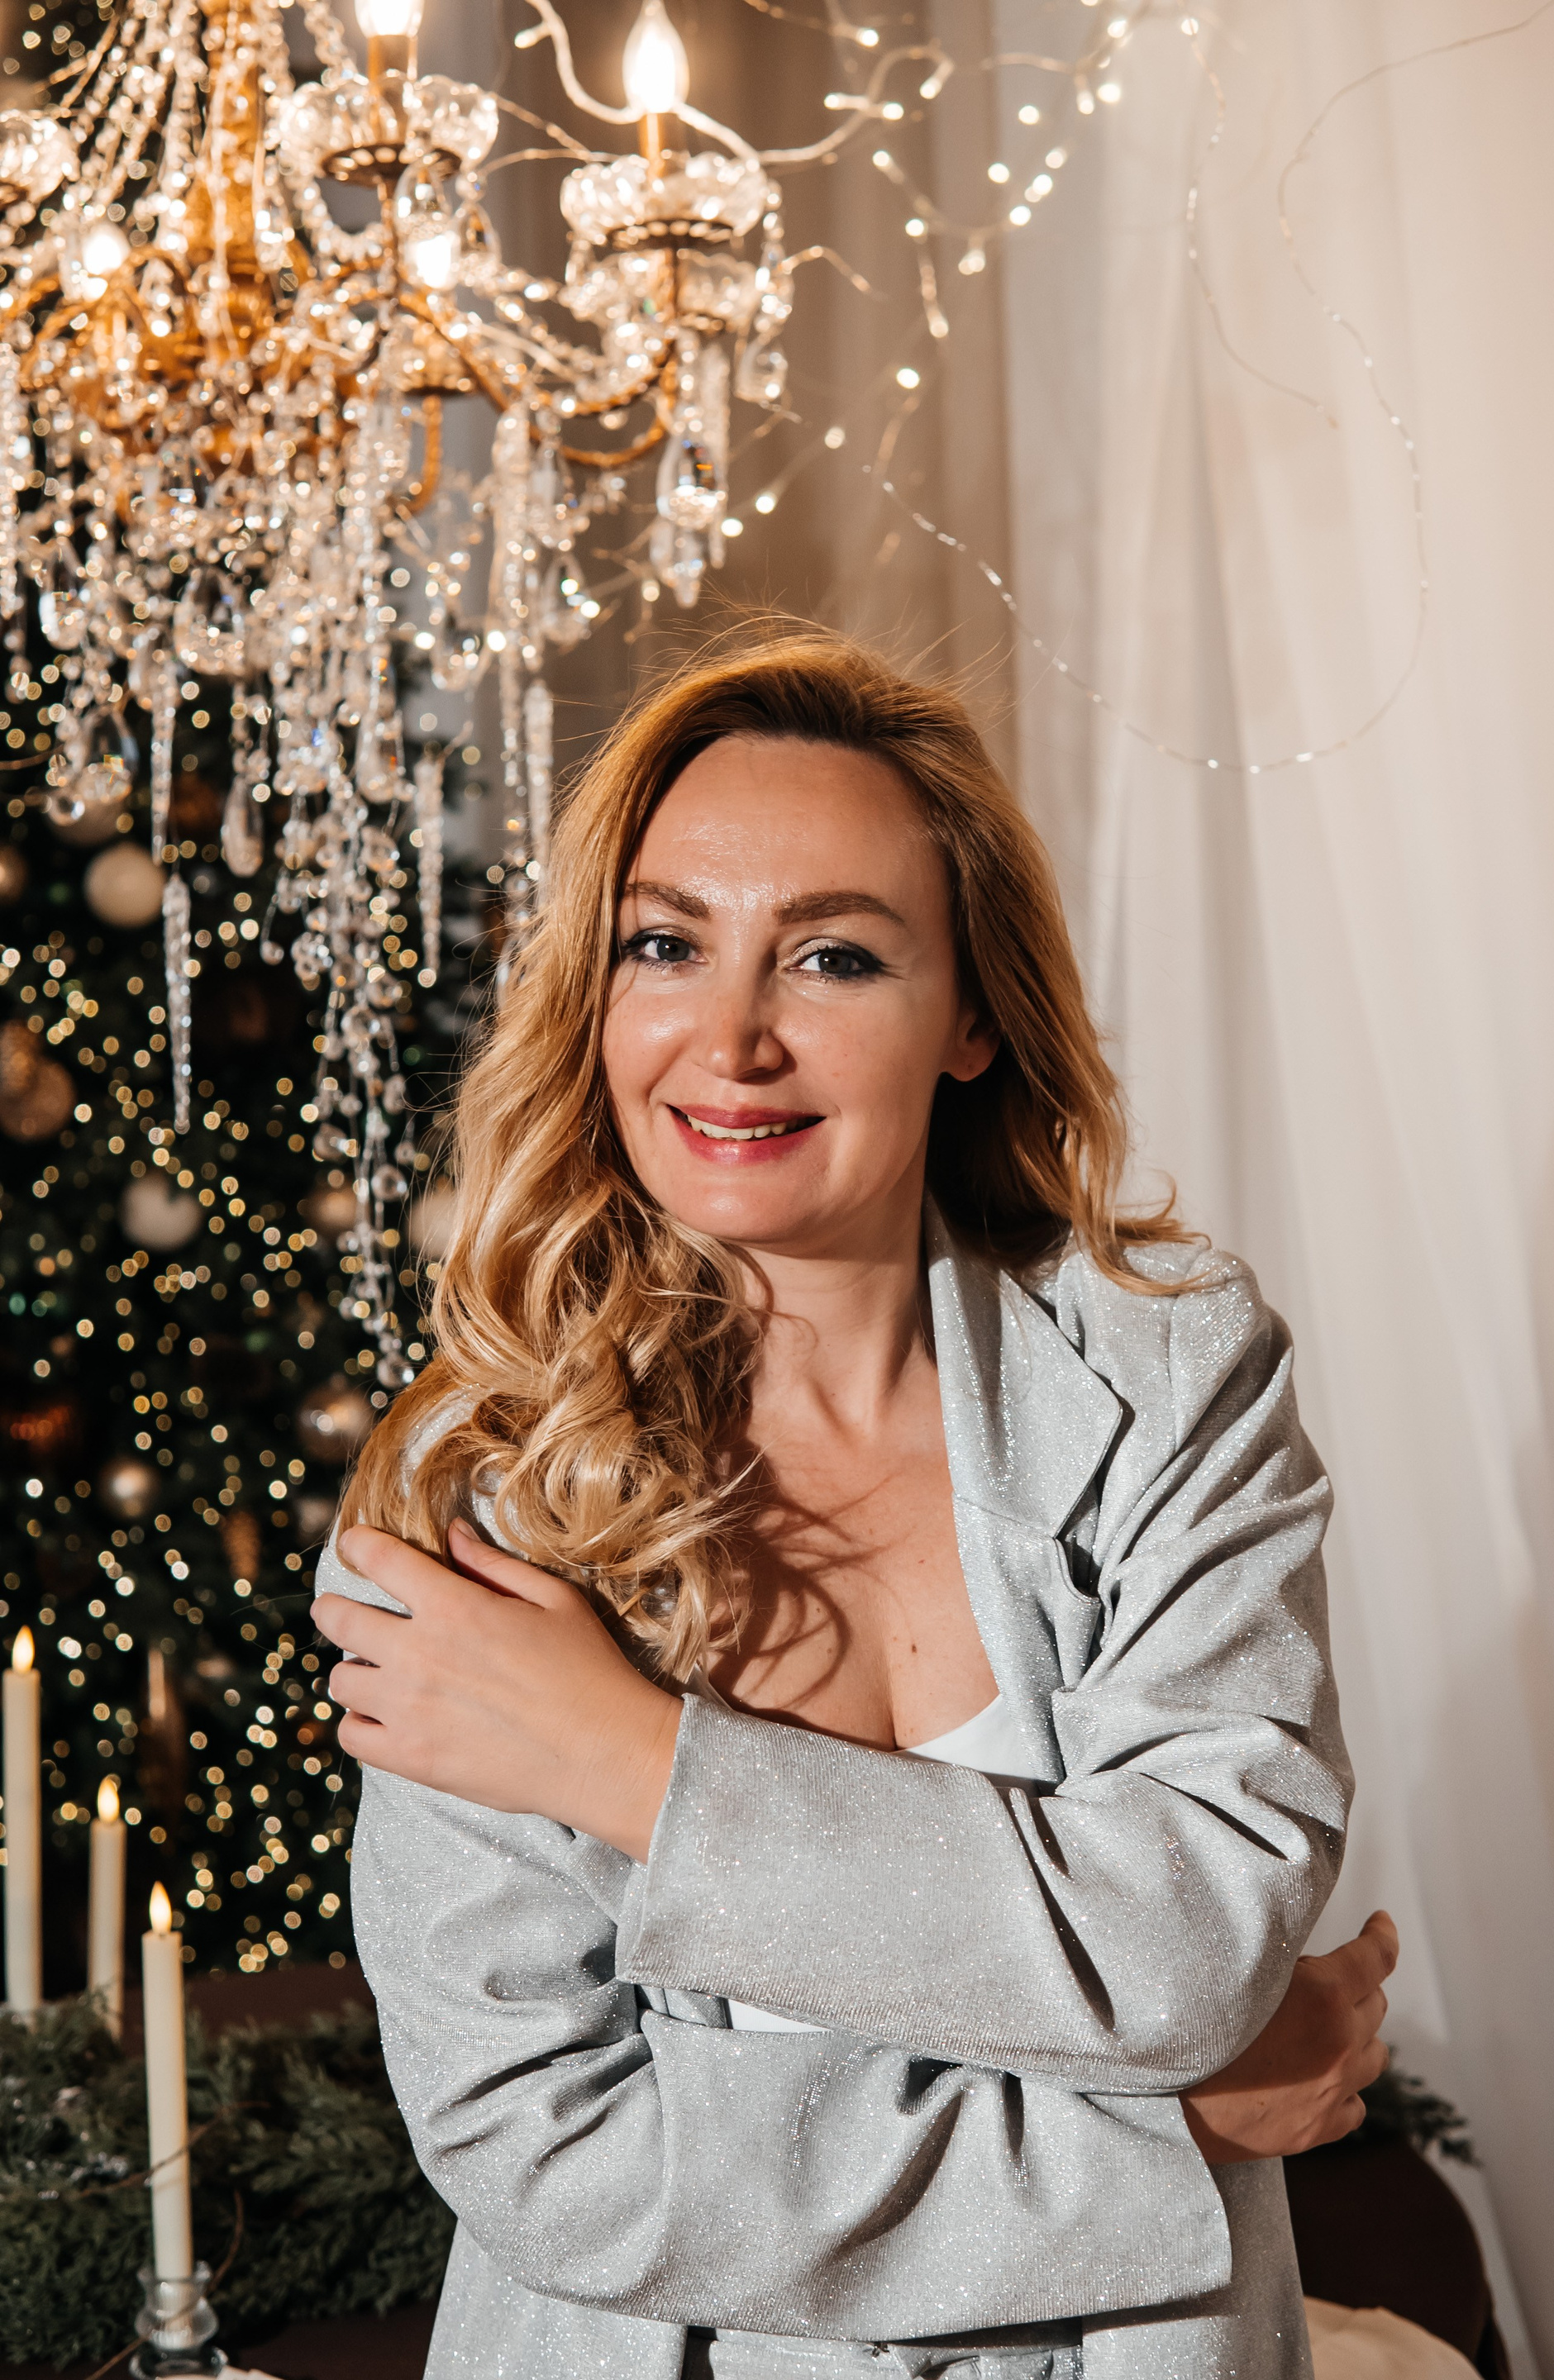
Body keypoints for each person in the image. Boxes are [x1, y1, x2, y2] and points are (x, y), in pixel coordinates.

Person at [313, 634, 1397, 2380]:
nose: (732, 1038)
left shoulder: (1175, 1372)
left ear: (974, 1015)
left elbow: (1198, 1944)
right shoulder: (475, 1509)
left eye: (832, 955)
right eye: (666, 945)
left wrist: (635, 1765)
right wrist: (1166, 2132)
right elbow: (554, 2157)